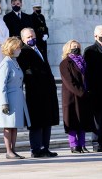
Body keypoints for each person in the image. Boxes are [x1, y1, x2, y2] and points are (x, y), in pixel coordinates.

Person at [17, 28, 59, 158]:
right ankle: (36, 149)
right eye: (28, 37)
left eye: (32, 36)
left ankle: (45, 147)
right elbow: (27, 71)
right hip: (35, 92)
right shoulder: (23, 52)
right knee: (37, 122)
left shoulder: (39, 48)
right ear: (23, 39)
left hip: (47, 90)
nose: (31, 39)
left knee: (47, 120)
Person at [59, 40, 95, 153]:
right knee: (72, 122)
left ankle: (82, 144)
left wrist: (87, 92)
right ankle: (74, 145)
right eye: (73, 47)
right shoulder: (65, 63)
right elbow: (69, 81)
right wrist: (81, 92)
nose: (76, 48)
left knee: (82, 121)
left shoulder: (83, 62)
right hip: (72, 97)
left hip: (83, 96)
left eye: (78, 46)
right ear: (68, 49)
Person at [0, 37, 31, 159]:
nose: (20, 50)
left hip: (17, 97)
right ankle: (8, 150)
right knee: (8, 125)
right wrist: (4, 103)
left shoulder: (14, 61)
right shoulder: (5, 63)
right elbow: (2, 85)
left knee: (15, 125)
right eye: (17, 47)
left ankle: (13, 149)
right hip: (9, 97)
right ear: (11, 48)